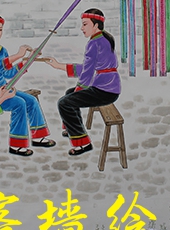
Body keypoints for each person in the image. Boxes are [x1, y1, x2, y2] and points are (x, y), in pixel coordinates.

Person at [0, 14, 55, 157]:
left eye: (0, 29)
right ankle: (17, 145)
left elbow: (8, 73)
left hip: (3, 89)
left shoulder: (2, 50)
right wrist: (17, 55)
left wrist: (26, 61)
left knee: (31, 100)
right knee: (18, 103)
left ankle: (38, 136)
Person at [46, 8, 121, 156]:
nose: (82, 28)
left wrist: (79, 88)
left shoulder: (94, 43)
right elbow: (88, 67)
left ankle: (82, 143)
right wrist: (59, 65)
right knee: (69, 93)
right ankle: (71, 129)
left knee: (64, 103)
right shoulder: (103, 39)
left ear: (96, 25)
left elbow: (87, 72)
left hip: (105, 90)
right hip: (108, 87)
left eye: (85, 24)